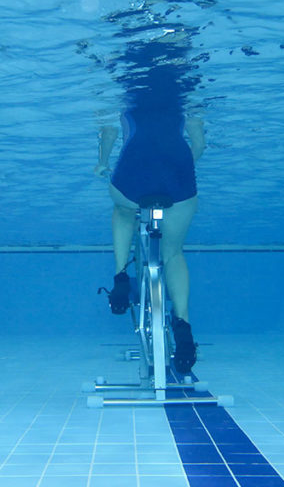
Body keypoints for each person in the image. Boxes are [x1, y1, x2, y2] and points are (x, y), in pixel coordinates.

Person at [95, 105, 205, 374]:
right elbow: (199, 143)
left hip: (134, 169)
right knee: (173, 253)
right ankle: (183, 326)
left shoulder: (125, 102)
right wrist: (179, 170)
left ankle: (121, 276)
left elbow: (108, 133)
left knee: (122, 210)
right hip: (177, 173)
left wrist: (102, 162)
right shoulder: (184, 102)